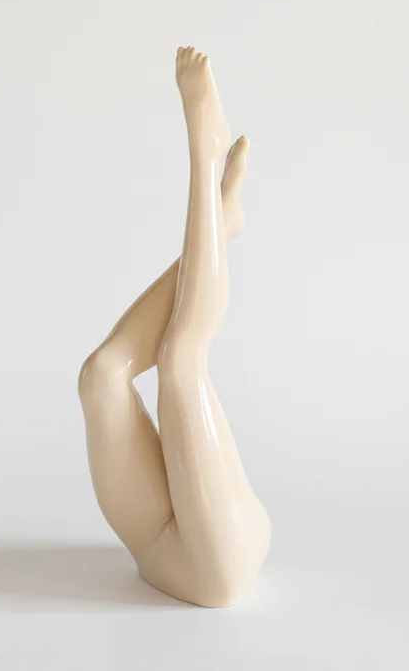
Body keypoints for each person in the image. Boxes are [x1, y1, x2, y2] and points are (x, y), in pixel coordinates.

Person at [78, 47, 270, 607]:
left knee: (140, 368)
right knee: (140, 368)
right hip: (204, 554)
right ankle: (214, 198)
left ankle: (209, 174)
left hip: (194, 550)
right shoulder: (208, 569)